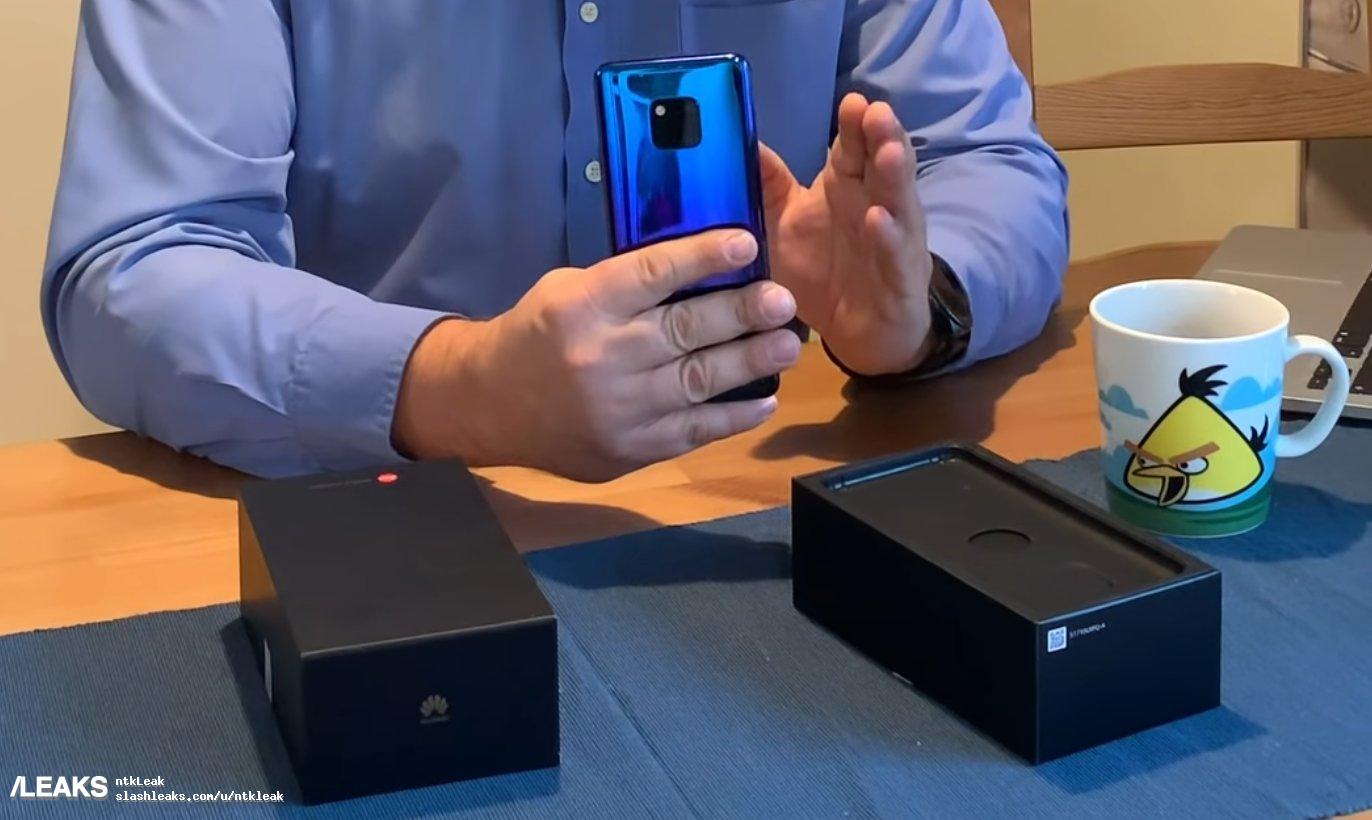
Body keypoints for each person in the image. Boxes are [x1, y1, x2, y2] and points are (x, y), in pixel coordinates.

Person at [41, 1, 1068, 481]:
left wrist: (921, 308)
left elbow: (990, 161)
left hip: (775, 504)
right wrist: (455, 386)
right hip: (388, 528)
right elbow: (135, 266)